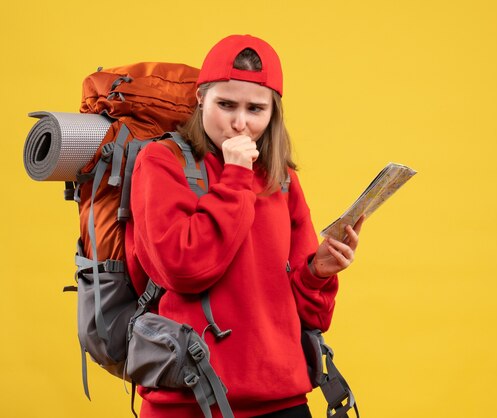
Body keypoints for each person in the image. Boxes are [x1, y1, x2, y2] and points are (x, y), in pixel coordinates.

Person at [125, 34, 364, 418]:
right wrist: (236, 175)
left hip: (283, 400)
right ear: (201, 97)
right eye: (226, 104)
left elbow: (312, 318)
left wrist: (318, 272)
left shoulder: (280, 178)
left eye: (255, 109)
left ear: (273, 113)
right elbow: (185, 269)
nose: (240, 123)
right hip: (189, 402)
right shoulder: (162, 162)